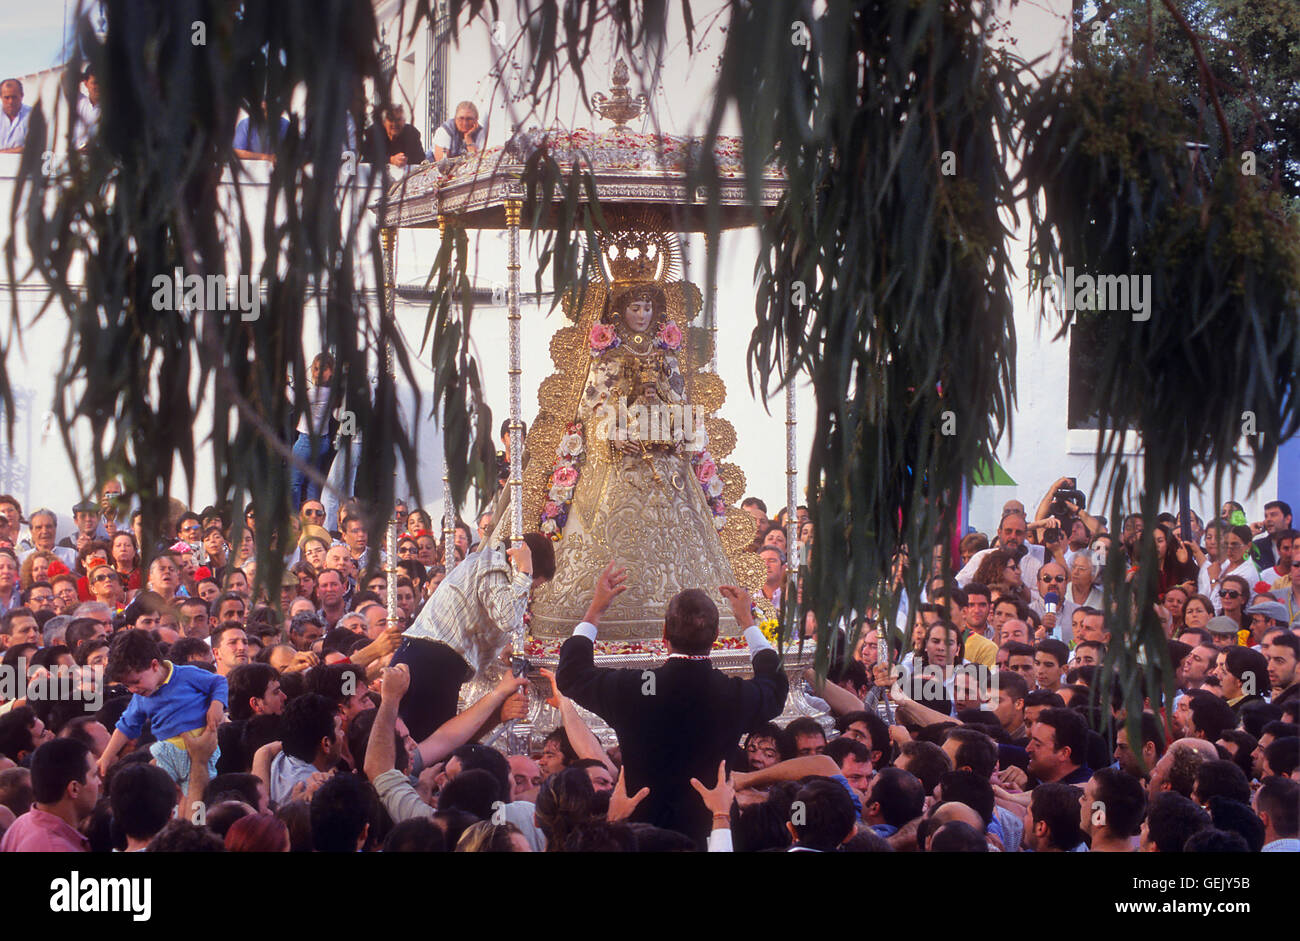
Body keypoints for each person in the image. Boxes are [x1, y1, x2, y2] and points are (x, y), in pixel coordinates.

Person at [556, 563, 788, 846]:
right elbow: (775, 688)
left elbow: (571, 675)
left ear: (664, 633)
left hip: (640, 835)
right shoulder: (733, 695)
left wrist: (596, 611)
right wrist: (748, 624)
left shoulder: (634, 690)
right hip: (713, 831)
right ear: (715, 638)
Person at [390, 532, 554, 740]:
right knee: (423, 746)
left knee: (420, 743)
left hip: (433, 660)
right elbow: (509, 618)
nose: (528, 591)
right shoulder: (493, 563)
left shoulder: (490, 565)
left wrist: (501, 645)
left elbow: (484, 614)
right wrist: (525, 570)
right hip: (431, 662)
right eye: (532, 586)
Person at [97, 630, 227, 787]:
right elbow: (125, 727)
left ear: (154, 665)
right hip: (168, 752)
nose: (132, 689)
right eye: (126, 685)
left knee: (199, 791)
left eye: (136, 682)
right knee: (163, 791)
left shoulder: (187, 675)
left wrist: (216, 705)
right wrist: (106, 757)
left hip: (204, 747)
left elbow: (218, 682)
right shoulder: (140, 698)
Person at [0, 739, 98, 851]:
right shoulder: (55, 848)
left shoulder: (23, 822)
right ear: (74, 788)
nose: (99, 782)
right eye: (94, 775)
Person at [365, 104, 425, 168]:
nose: (394, 124)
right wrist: (390, 160)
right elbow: (367, 157)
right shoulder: (373, 132)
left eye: (398, 119)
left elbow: (420, 159)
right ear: (383, 122)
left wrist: (404, 159)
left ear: (404, 121)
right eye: (391, 119)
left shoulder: (412, 133)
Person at [0, 79, 31, 153]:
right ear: (0, 97)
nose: (10, 101)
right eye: (7, 97)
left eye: (14, 97)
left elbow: (34, 147)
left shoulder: (33, 116)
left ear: (22, 95)